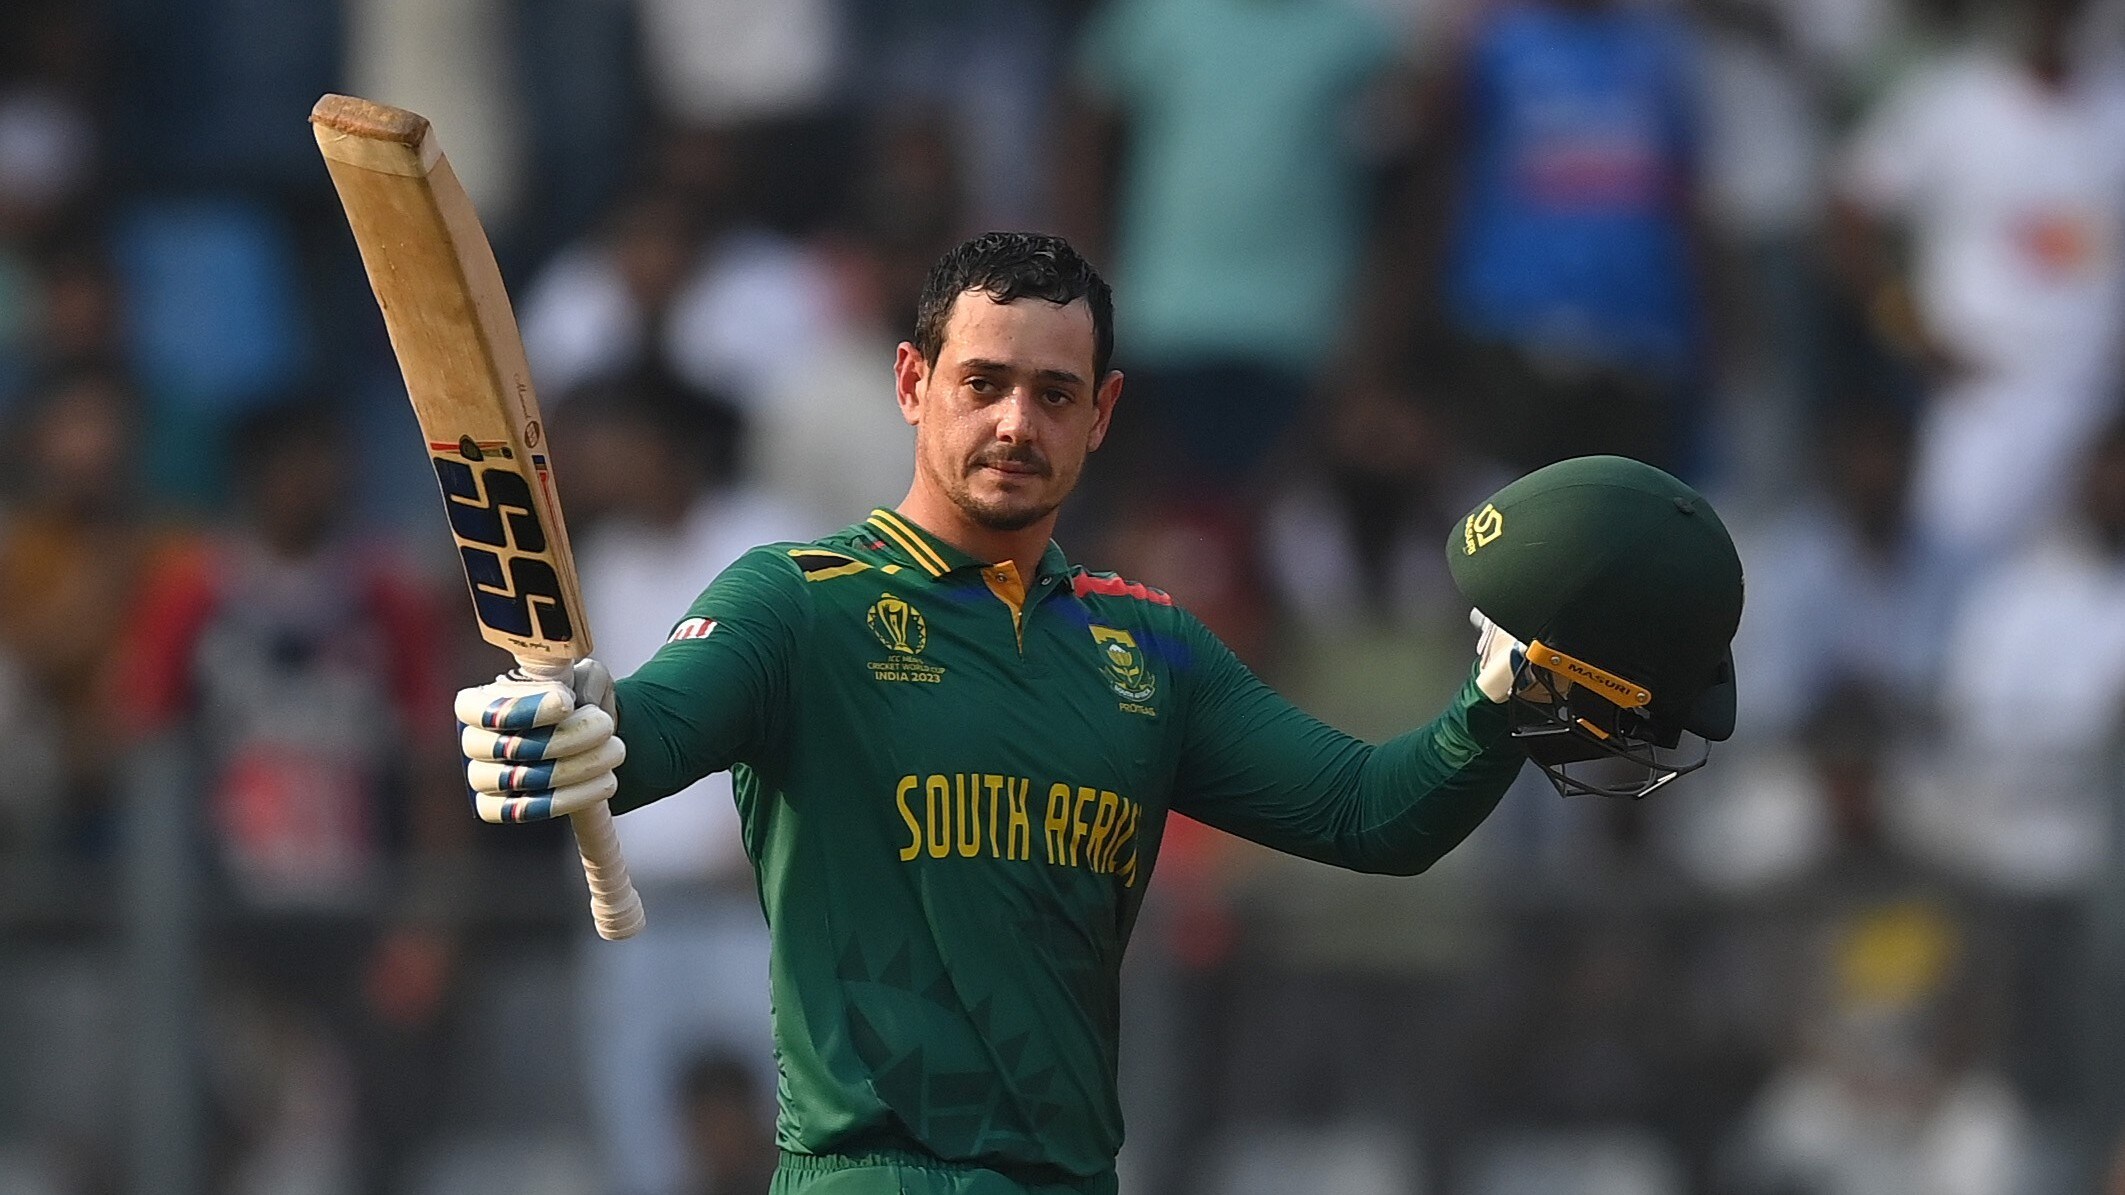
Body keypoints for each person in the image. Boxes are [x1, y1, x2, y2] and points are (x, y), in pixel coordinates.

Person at [452, 232, 1744, 1193]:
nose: (1016, 422)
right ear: (911, 383)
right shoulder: (797, 602)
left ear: (1102, 413)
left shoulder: (1148, 646)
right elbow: (649, 735)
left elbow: (1370, 816)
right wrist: (561, 732)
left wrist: (1497, 704)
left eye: (1054, 393)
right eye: (982, 382)